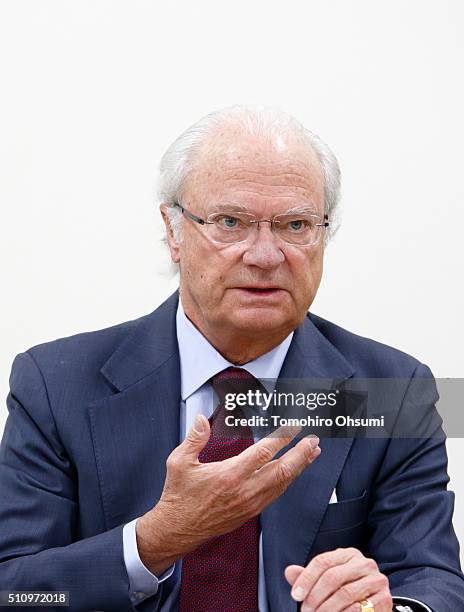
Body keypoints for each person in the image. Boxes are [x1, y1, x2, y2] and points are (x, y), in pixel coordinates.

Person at [0, 106, 462, 612]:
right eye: (230, 222)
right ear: (174, 232)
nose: (265, 255)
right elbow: (16, 591)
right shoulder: (56, 385)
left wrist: (386, 608)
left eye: (294, 224)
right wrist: (153, 541)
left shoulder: (391, 391)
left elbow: (431, 578)